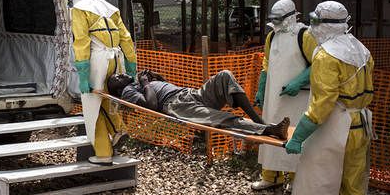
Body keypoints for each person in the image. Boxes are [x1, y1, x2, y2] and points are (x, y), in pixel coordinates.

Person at [274, 0, 375, 195]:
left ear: (325, 25)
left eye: (316, 21)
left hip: (333, 129)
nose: (312, 26)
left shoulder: (326, 54)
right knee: (353, 192)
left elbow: (322, 105)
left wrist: (298, 137)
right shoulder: (361, 50)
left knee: (312, 186)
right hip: (360, 126)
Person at [107, 70, 290, 140]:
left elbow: (164, 87)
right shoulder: (128, 92)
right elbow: (152, 105)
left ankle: (260, 121)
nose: (122, 74)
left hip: (189, 94)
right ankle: (268, 130)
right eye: (118, 78)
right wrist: (146, 83)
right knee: (223, 119)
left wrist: (157, 78)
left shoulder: (136, 82)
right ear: (118, 88)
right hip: (177, 105)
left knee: (224, 76)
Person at [252, 0, 317, 191]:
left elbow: (319, 63)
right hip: (274, 97)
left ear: (291, 16)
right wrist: (261, 88)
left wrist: (299, 81)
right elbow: (267, 63)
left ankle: (297, 179)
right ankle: (271, 176)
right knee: (271, 131)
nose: (276, 22)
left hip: (298, 99)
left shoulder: (305, 35)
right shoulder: (271, 37)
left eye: (280, 18)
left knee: (296, 134)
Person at [69, 0, 137, 165]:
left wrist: (83, 75)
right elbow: (127, 38)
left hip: (97, 61)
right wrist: (131, 67)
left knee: (92, 108)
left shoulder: (78, 10)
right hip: (116, 59)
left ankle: (103, 153)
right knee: (108, 99)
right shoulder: (109, 7)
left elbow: (81, 42)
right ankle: (118, 130)